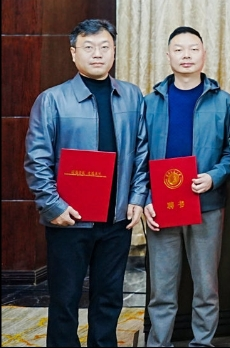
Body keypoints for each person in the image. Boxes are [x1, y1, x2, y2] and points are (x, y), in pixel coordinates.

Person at [24, 19, 148, 347]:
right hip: (69, 219)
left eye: (105, 47)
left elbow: (141, 152)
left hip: (116, 219)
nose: (97, 54)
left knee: (109, 298)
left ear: (114, 51)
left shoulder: (132, 96)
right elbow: (37, 159)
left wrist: (137, 198)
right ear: (73, 53)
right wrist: (53, 206)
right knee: (65, 300)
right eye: (88, 47)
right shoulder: (52, 100)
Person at [142, 26, 230, 347]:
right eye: (179, 49)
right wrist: (147, 198)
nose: (186, 55)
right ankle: (158, 343)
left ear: (204, 54)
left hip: (206, 204)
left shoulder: (223, 102)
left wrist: (214, 176)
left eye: (193, 49)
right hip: (162, 205)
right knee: (162, 288)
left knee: (206, 287)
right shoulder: (150, 102)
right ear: (168, 55)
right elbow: (140, 156)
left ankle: (202, 343)